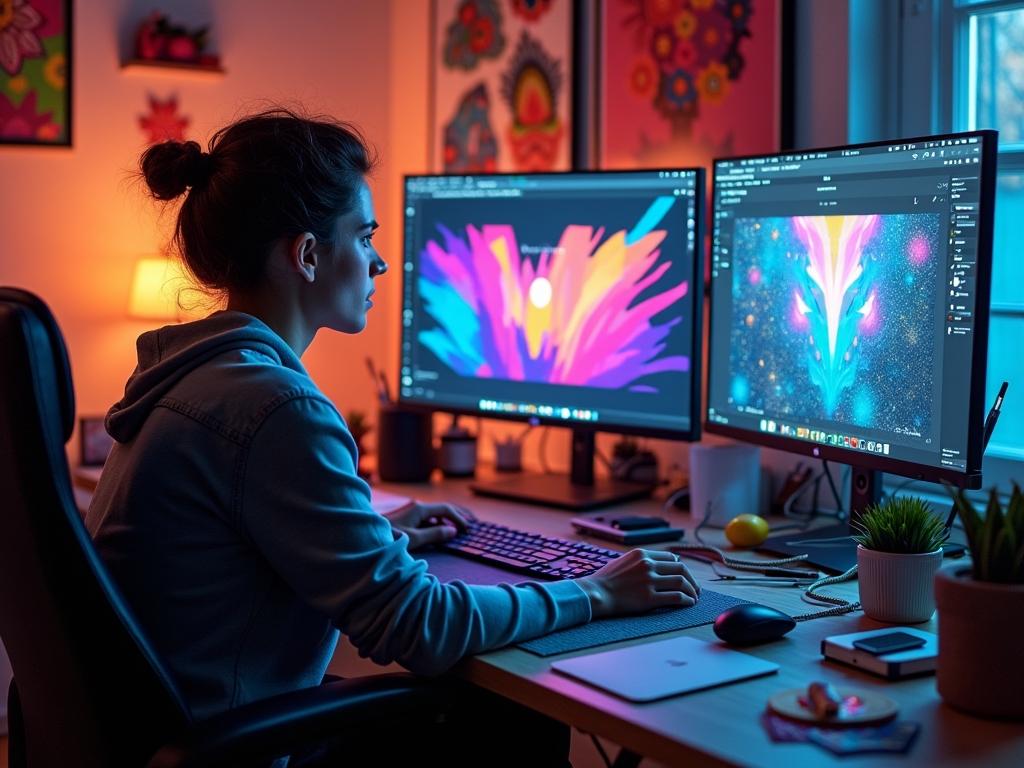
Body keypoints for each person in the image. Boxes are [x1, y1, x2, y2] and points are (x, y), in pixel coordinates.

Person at [85, 108, 700, 767]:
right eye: (366, 235)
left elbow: (240, 549)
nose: (379, 263)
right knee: (515, 715)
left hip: (160, 731)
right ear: (309, 254)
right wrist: (598, 592)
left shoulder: (193, 379)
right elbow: (419, 627)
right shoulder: (274, 407)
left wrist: (383, 536)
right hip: (229, 746)